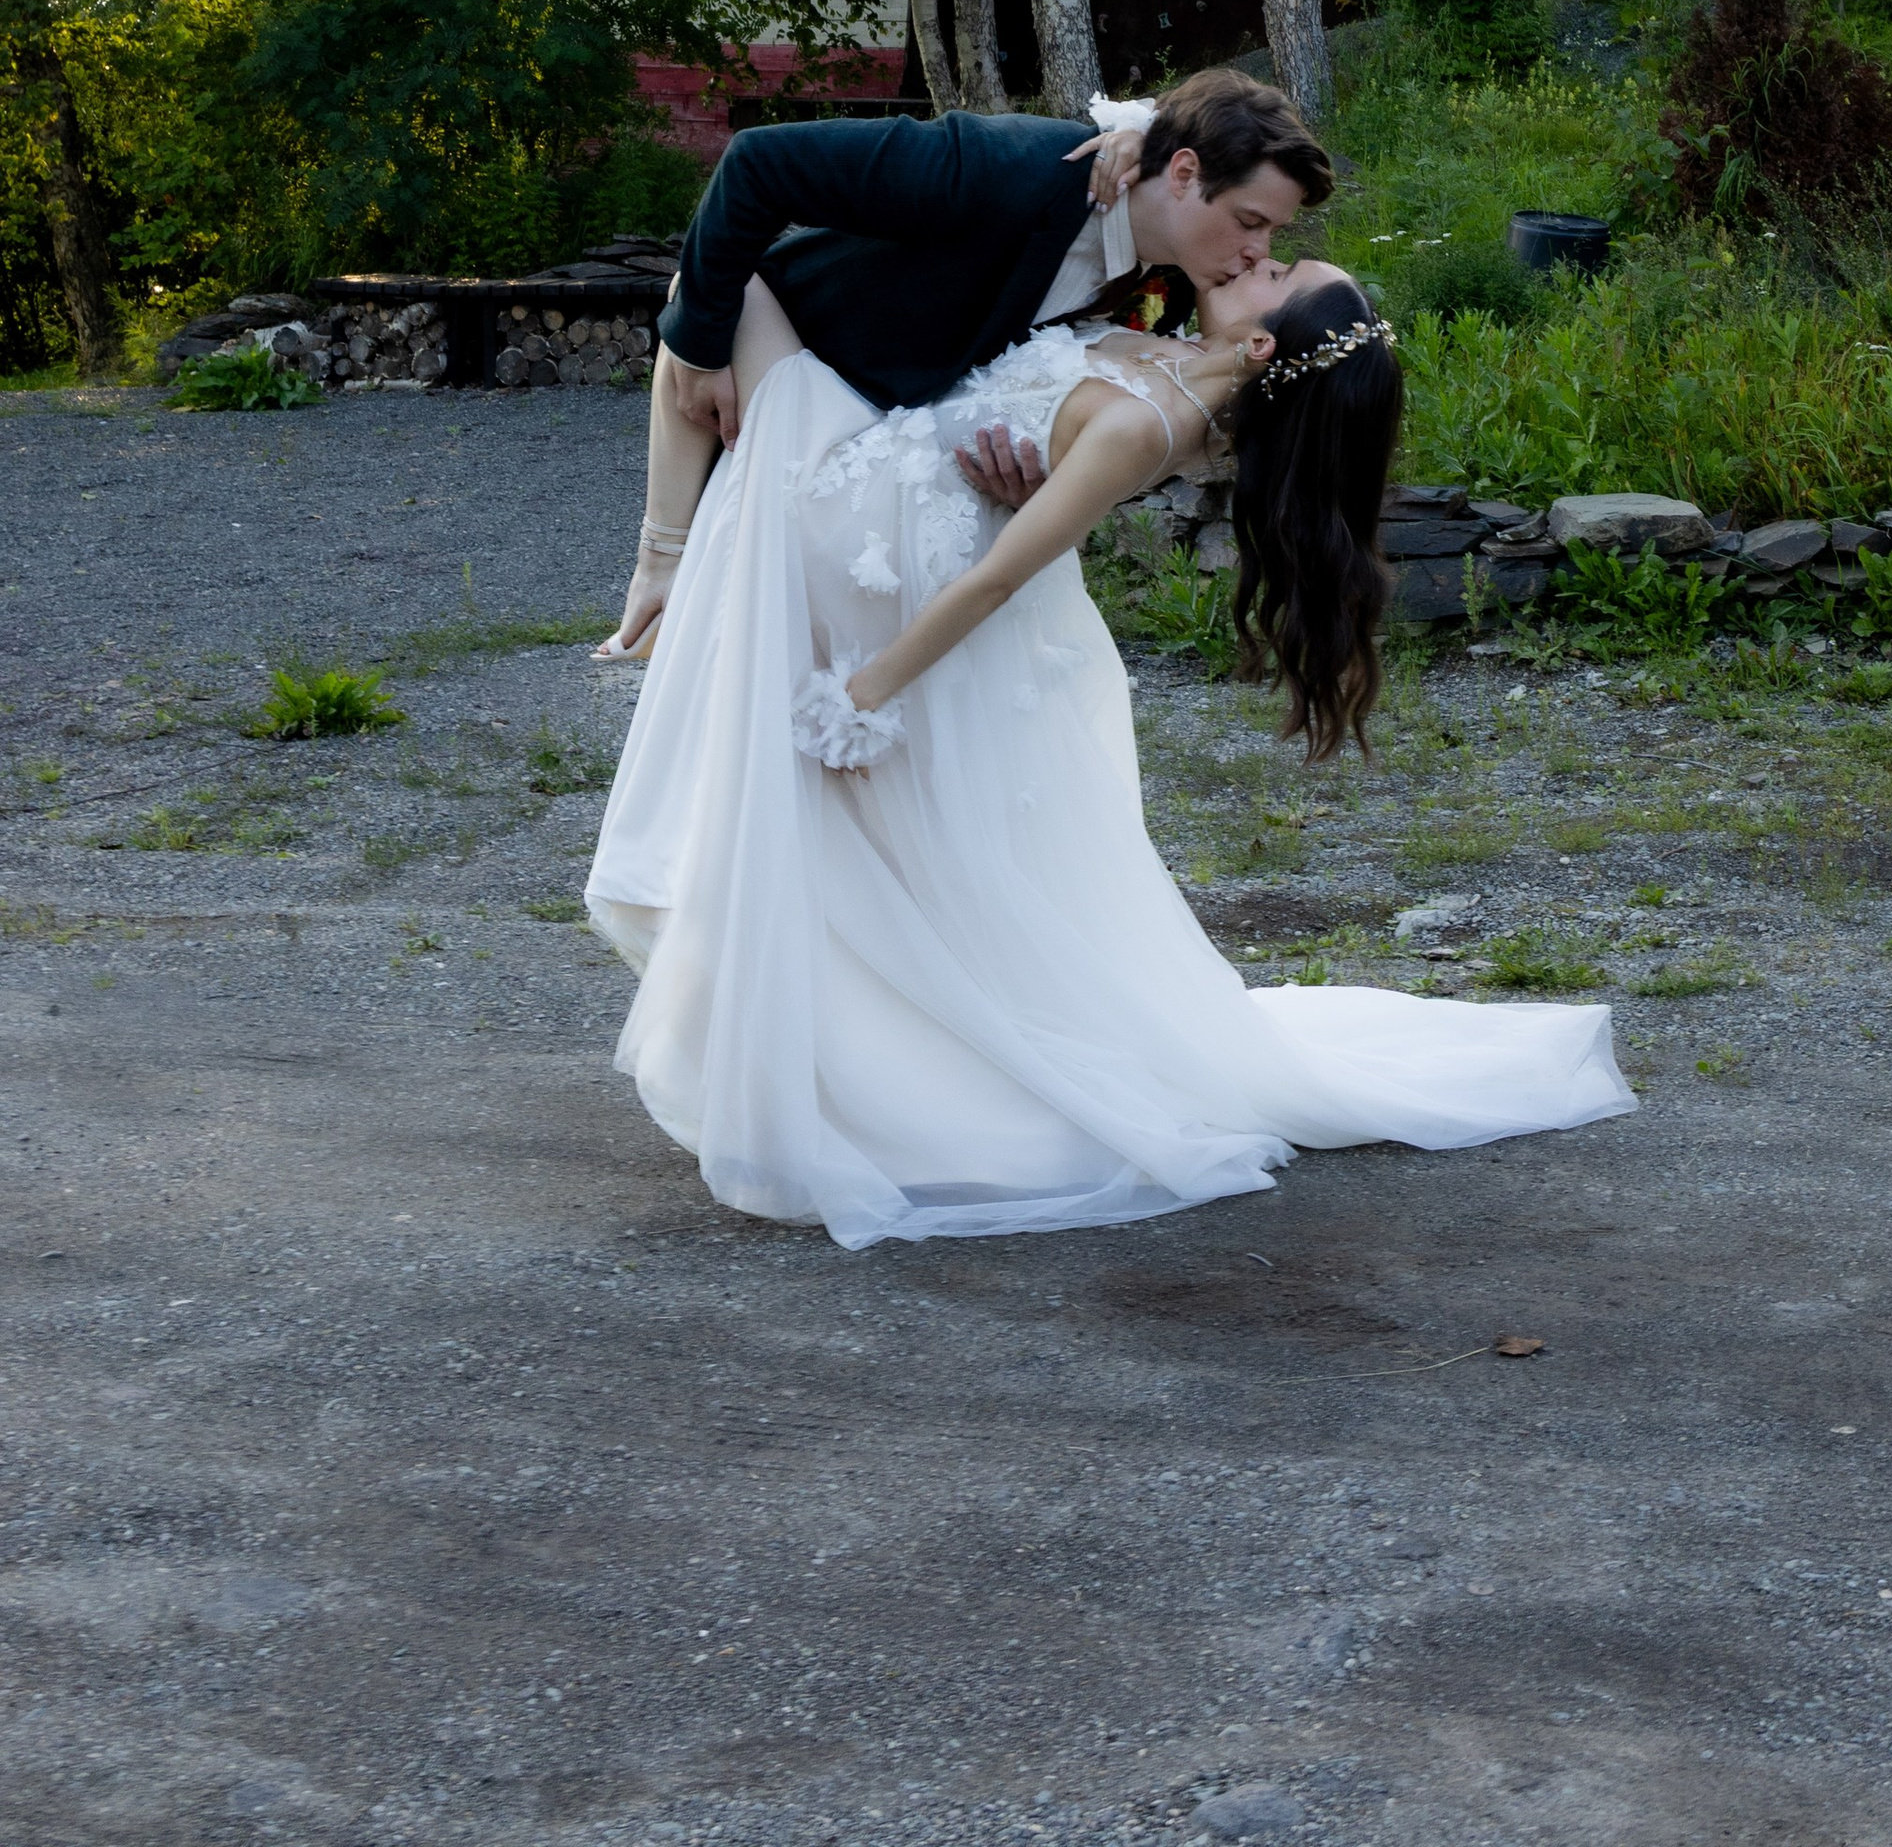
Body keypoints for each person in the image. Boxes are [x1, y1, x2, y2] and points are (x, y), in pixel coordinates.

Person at [583, 254, 1632, 1248]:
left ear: (1265, 350)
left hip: (912, 573)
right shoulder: (1157, 347)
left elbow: (1000, 574)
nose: (1254, 262)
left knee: (874, 837)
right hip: (887, 500)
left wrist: (867, 693)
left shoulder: (1152, 420)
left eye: (1275, 275)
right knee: (720, 284)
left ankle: (862, 1061)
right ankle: (821, 1028)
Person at [600, 67, 1330, 663]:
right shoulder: (1000, 168)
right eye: (1250, 222)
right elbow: (759, 163)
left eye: (1270, 232)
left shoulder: (1169, 285)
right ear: (1182, 172)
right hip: (795, 359)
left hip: (896, 446)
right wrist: (697, 344)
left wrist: (1042, 478)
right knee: (696, 305)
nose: (1259, 252)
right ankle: (660, 570)